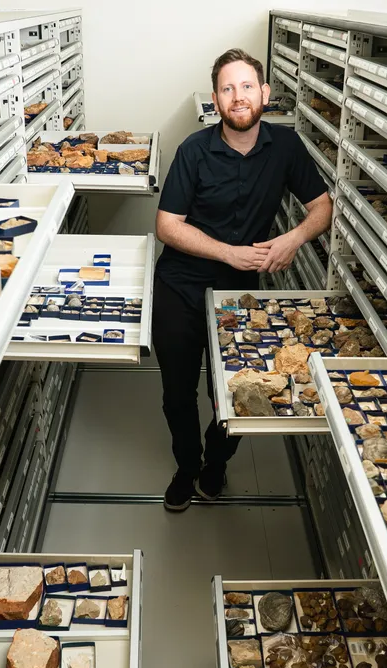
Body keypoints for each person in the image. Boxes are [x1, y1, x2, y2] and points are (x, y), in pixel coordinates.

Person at [153, 48, 333, 512]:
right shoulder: (193, 151)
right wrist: (226, 251)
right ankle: (187, 468)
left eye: (247, 86)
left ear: (264, 94)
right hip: (182, 282)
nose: (239, 97)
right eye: (228, 89)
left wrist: (293, 239)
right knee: (177, 392)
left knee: (233, 393)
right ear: (215, 99)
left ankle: (217, 462)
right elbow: (168, 225)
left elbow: (322, 207)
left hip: (240, 294)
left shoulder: (286, 148)